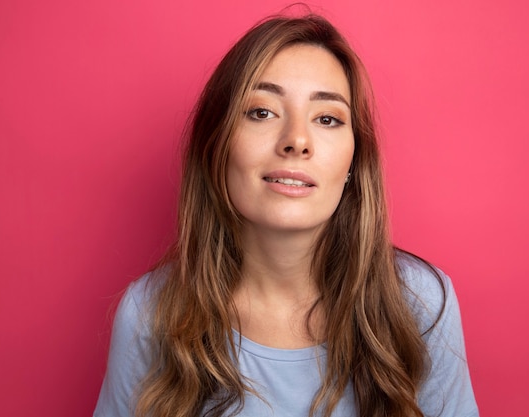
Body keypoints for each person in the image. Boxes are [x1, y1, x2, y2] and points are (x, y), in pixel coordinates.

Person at [94, 12, 479, 417]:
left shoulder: (420, 303)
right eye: (262, 112)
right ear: (217, 146)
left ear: (353, 163)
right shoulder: (151, 312)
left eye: (327, 118)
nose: (296, 140)